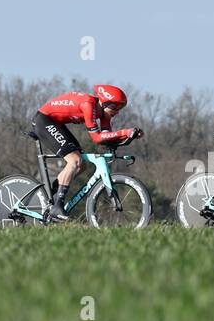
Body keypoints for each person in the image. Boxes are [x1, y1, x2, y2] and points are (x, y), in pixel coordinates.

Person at [34, 84, 141, 221]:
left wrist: (128, 137)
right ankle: (57, 206)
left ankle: (53, 192)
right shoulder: (88, 105)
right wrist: (124, 132)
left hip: (56, 124)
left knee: (82, 165)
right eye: (114, 107)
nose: (117, 111)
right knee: (74, 161)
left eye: (120, 108)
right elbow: (97, 138)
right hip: (44, 120)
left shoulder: (104, 114)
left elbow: (106, 137)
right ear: (103, 102)